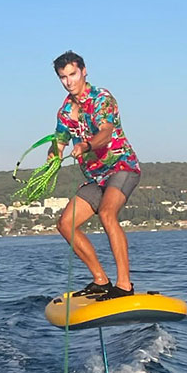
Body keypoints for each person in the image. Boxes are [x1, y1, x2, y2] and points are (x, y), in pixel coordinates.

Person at [49, 51, 141, 300]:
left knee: (108, 213)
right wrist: (53, 157)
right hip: (95, 179)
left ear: (84, 71)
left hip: (122, 167)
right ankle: (100, 280)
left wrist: (86, 146)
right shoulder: (65, 112)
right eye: (63, 77)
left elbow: (106, 133)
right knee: (65, 224)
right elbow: (59, 143)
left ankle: (124, 285)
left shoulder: (102, 98)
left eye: (72, 74)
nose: (69, 81)